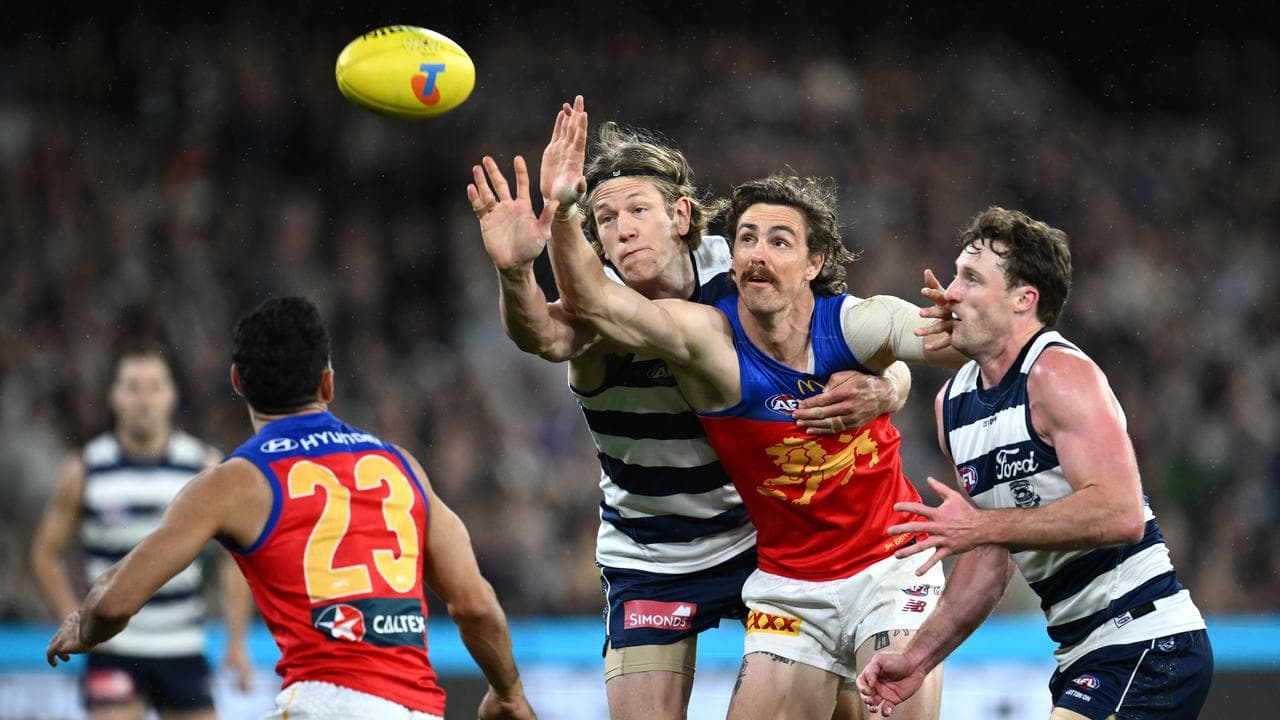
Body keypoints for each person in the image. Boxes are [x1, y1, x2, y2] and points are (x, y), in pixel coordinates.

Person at [468, 117, 913, 719]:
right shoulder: (596, 296)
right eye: (605, 220)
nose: (622, 231)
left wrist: (886, 386)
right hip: (653, 551)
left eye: (637, 211)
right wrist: (516, 270)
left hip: (762, 536)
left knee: (841, 711)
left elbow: (850, 333)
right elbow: (544, 336)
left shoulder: (743, 268)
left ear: (680, 215)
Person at [46, 297, 537, 720]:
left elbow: (114, 603)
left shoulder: (234, 482)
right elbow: (475, 607)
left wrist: (83, 626)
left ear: (238, 381)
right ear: (327, 383)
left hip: (320, 702)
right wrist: (509, 692)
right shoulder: (401, 466)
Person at [855, 207, 1213, 719]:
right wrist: (916, 657)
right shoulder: (951, 404)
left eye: (972, 279)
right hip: (1080, 654)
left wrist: (983, 525)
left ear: (1024, 300)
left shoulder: (1058, 374)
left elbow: (1120, 513)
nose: (949, 292)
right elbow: (988, 554)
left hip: (1146, 641)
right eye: (956, 274)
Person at [31, 343, 254, 720]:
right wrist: (74, 617)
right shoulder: (85, 468)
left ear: (172, 396)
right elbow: (44, 553)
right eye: (132, 387)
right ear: (113, 396)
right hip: (112, 646)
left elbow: (234, 560)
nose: (143, 399)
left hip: (183, 645)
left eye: (154, 387)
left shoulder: (204, 467)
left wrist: (236, 642)